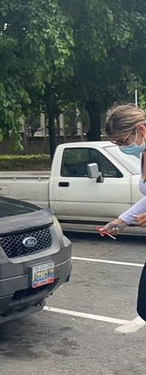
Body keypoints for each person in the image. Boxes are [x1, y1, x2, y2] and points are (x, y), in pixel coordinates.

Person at [100, 103, 146, 320]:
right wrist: (122, 220)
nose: (121, 147)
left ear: (141, 130)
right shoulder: (144, 155)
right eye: (115, 143)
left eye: (122, 141)